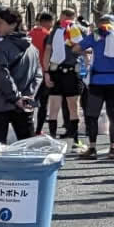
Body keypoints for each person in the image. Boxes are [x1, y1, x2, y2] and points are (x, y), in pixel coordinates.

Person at [0, 7, 44, 147]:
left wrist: (15, 97)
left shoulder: (1, 47)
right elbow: (38, 74)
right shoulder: (32, 48)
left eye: (0, 23)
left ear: (13, 25)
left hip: (1, 102)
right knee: (28, 148)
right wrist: (28, 95)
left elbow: (2, 73)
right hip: (25, 104)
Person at [42, 9, 85, 148]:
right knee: (73, 107)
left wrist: (46, 71)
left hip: (55, 70)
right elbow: (82, 49)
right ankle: (76, 140)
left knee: (54, 107)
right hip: (72, 71)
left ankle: (53, 140)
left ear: (64, 16)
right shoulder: (79, 29)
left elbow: (48, 51)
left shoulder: (55, 31)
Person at [75, 12, 114, 160]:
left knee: (92, 116)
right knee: (113, 117)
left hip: (97, 81)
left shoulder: (96, 36)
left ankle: (92, 148)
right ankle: (112, 149)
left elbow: (75, 49)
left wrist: (90, 51)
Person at [29, 12, 55, 136]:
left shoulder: (29, 34)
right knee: (43, 103)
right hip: (43, 72)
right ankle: (38, 130)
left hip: (29, 72)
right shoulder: (49, 35)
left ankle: (28, 128)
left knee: (29, 101)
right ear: (47, 22)